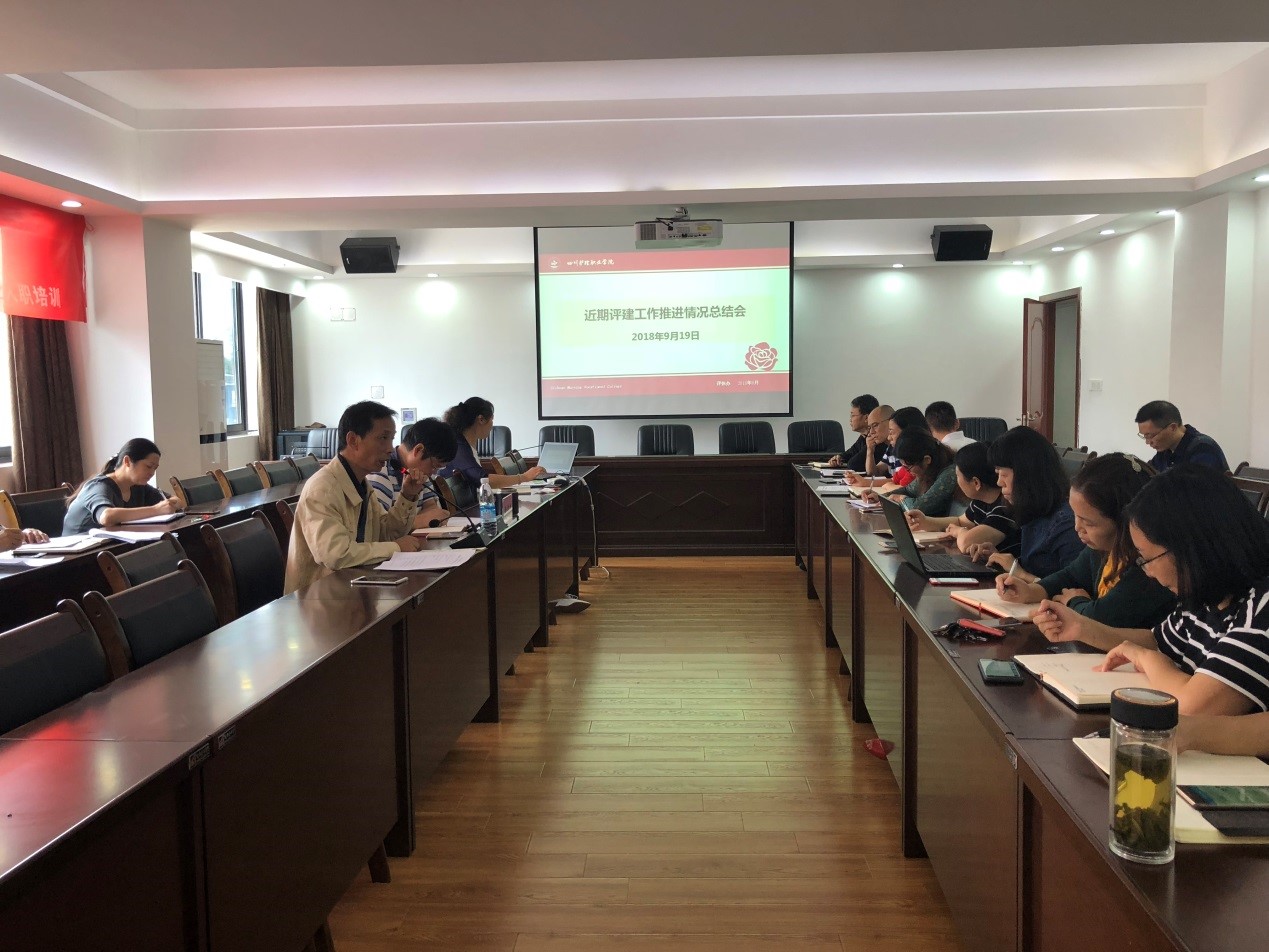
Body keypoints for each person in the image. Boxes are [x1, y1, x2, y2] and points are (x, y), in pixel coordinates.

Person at [1032, 465, 1269, 715]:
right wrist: (1080, 627)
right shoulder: (1206, 594)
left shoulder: (1261, 608)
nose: (1147, 572)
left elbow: (1194, 706)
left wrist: (1146, 659)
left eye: (1147, 559)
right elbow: (1158, 642)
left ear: (1191, 548)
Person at [995, 453, 1174, 628]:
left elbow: (1101, 619)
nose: (1077, 528)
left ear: (1126, 523)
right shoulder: (1101, 548)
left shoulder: (1150, 566)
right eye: (1075, 516)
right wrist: (1031, 591)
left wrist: (1074, 601)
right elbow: (1070, 576)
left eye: (1089, 523)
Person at [285, 401, 426, 593]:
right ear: (353, 440)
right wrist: (396, 548)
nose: (390, 449)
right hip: (319, 600)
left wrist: (408, 496)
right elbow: (336, 555)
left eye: (391, 439)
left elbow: (386, 534)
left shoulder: (360, 483)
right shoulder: (323, 488)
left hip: (352, 589)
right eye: (383, 438)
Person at [967, 426, 1083, 579]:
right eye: (997, 474)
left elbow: (1074, 590)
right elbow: (1035, 569)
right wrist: (998, 558)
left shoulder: (1066, 524)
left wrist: (1019, 573)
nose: (999, 482)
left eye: (1004, 474)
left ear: (1026, 474)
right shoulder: (1034, 511)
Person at [905, 442, 1018, 553]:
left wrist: (959, 532)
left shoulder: (1005, 507)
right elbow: (960, 521)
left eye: (958, 476)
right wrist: (924, 521)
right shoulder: (980, 501)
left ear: (976, 483)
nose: (957, 482)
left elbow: (966, 543)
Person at [63, 438, 182, 534]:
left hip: (112, 547)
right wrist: (156, 510)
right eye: (148, 466)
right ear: (127, 461)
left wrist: (172, 504)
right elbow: (106, 517)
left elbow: (176, 500)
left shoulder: (138, 486)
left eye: (155, 468)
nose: (152, 473)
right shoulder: (99, 486)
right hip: (81, 552)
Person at [367, 417, 458, 529]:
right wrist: (417, 522)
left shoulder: (419, 472)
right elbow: (378, 529)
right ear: (418, 450)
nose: (433, 472)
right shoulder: (380, 473)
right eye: (434, 466)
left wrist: (412, 522)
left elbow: (432, 508)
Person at [440, 397, 545, 491]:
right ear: (481, 419)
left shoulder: (465, 443)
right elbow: (482, 479)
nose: (492, 424)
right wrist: (523, 477)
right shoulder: (458, 446)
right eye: (492, 419)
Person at [867, 430, 959, 516]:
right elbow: (908, 490)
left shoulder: (949, 474)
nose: (907, 471)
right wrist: (880, 497)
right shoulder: (928, 471)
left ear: (927, 460)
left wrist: (900, 499)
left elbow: (919, 508)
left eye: (908, 467)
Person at [1134, 400, 1228, 473]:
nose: (1148, 442)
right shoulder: (1165, 451)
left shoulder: (1203, 448)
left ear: (1172, 427)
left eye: (1150, 436)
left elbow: (1195, 489)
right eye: (1144, 436)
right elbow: (1149, 475)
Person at [826, 393, 879, 470]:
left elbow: (854, 464)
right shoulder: (863, 436)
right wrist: (839, 458)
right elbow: (849, 453)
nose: (850, 419)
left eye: (853, 415)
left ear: (866, 418)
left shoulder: (876, 439)